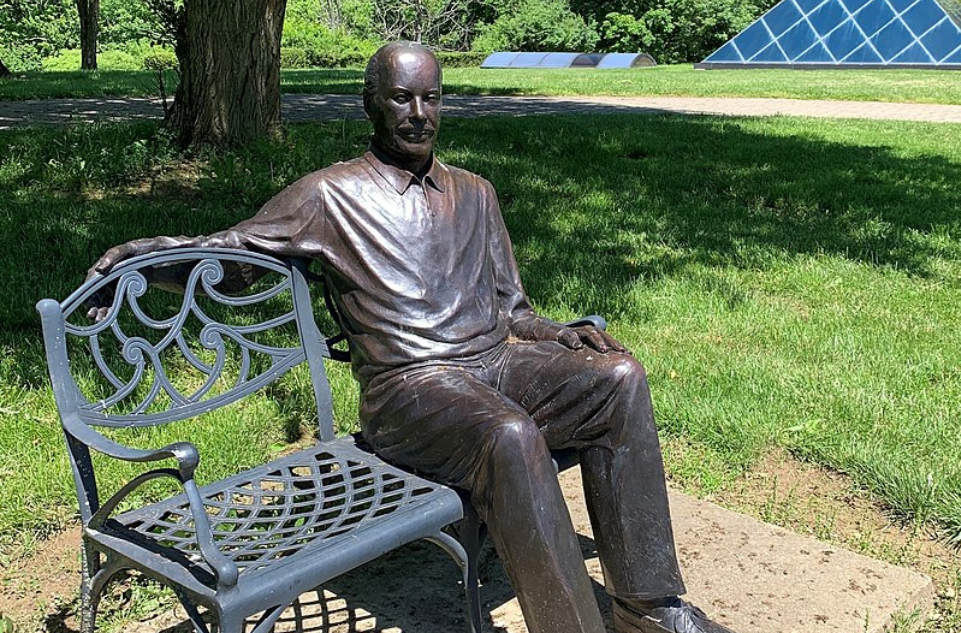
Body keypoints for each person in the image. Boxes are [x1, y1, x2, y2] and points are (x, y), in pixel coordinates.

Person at [88, 41, 736, 633]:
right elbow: (227, 255)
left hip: (493, 365)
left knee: (618, 380)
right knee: (509, 436)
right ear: (373, 103)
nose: (419, 113)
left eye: (431, 97)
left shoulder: (476, 193)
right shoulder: (330, 196)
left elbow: (513, 307)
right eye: (402, 97)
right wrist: (134, 259)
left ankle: (649, 608)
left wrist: (562, 336)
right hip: (409, 393)